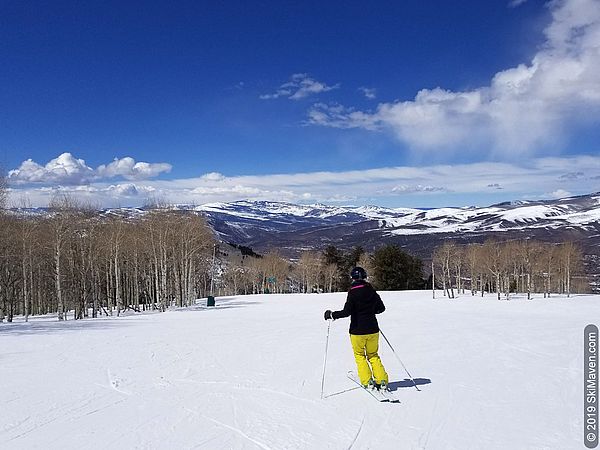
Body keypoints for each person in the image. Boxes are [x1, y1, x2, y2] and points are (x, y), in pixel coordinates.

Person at [324, 266, 389, 390]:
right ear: (364, 277)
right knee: (373, 355)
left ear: (352, 278)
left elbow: (347, 312)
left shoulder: (352, 292)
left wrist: (332, 315)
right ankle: (382, 380)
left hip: (357, 331)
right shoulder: (371, 290)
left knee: (360, 356)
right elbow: (381, 308)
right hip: (373, 330)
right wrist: (369, 311)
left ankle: (368, 381)